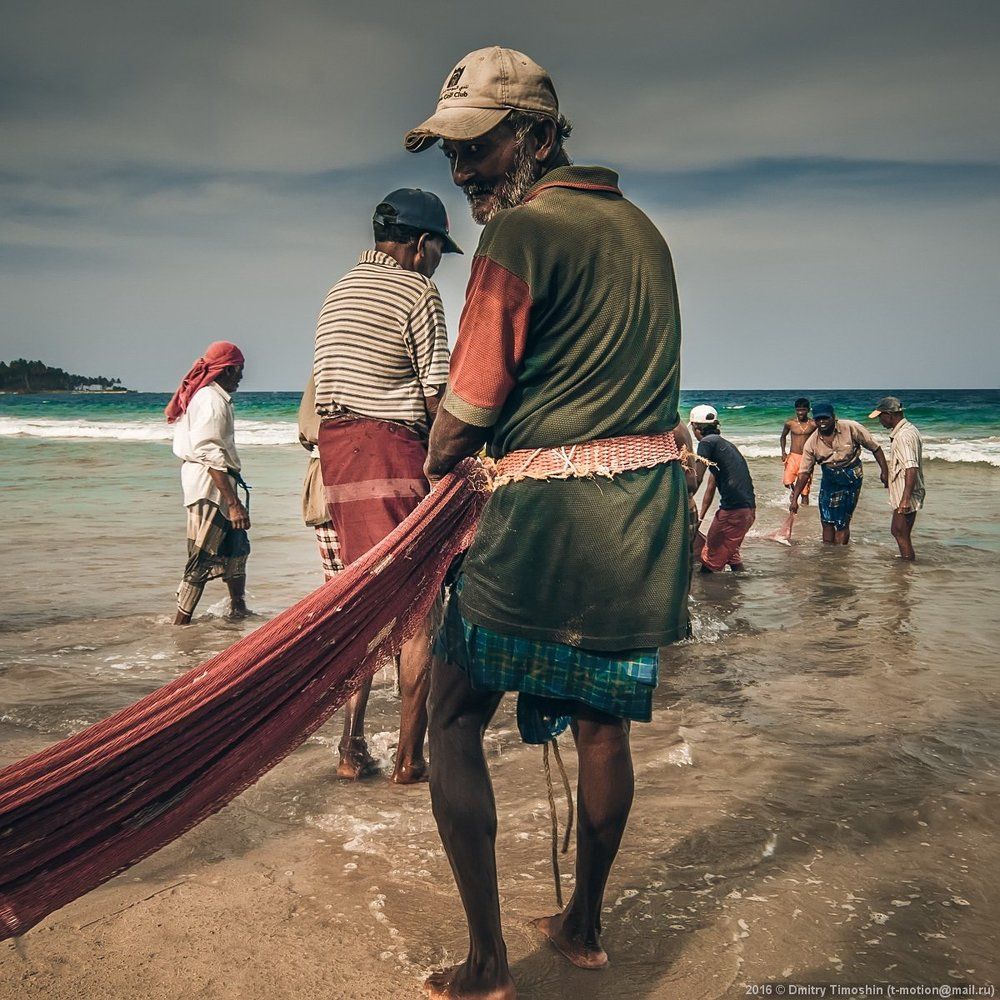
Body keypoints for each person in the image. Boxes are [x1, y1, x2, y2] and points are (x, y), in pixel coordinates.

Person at [406, 46, 690, 999]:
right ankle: (583, 926)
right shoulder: (642, 231)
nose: (458, 172)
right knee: (603, 727)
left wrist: (435, 457)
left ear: (532, 135)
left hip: (540, 526)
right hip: (642, 527)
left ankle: (488, 965)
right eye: (448, 154)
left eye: (474, 149)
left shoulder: (520, 236)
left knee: (449, 717)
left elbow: (470, 407)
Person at [312, 188, 460, 784]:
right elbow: (437, 398)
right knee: (419, 607)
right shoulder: (418, 291)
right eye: (439, 250)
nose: (438, 262)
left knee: (363, 604)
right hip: (391, 451)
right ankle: (409, 757)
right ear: (421, 244)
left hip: (336, 456)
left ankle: (350, 749)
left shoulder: (337, 289)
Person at [166, 341, 251, 625]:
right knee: (202, 555)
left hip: (216, 482)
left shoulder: (210, 397)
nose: (241, 376)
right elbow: (209, 452)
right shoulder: (212, 401)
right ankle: (181, 622)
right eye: (238, 370)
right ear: (226, 370)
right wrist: (233, 502)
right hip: (209, 487)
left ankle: (238, 608)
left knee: (237, 548)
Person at [789, 401, 889, 544]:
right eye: (818, 419)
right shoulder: (811, 443)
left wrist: (884, 471)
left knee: (842, 521)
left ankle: (841, 554)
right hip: (829, 477)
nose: (822, 422)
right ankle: (829, 555)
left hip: (851, 475)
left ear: (833, 417)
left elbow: (875, 448)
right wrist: (795, 499)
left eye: (825, 418)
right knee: (826, 519)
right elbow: (804, 472)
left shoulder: (851, 427)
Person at [690, 404, 756, 572]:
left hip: (733, 511)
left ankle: (707, 595)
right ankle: (739, 587)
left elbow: (697, 479)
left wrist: (684, 500)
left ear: (696, 428)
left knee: (710, 556)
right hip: (747, 511)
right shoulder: (724, 446)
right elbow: (710, 487)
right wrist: (701, 517)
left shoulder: (706, 443)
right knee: (731, 554)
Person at [869, 395, 925, 560]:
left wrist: (905, 499)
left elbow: (911, 466)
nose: (880, 421)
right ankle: (906, 567)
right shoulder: (908, 429)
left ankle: (907, 567)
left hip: (907, 493)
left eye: (880, 416)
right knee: (901, 531)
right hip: (905, 490)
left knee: (899, 531)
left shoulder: (903, 436)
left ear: (889, 415)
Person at [780, 397, 816, 504]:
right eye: (798, 410)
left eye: (803, 410)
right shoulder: (790, 423)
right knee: (787, 481)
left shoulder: (813, 424)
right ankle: (795, 492)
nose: (800, 412)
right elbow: (783, 436)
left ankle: (805, 515)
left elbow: (821, 437)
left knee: (805, 491)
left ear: (808, 410)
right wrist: (783, 452)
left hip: (807, 458)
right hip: (793, 456)